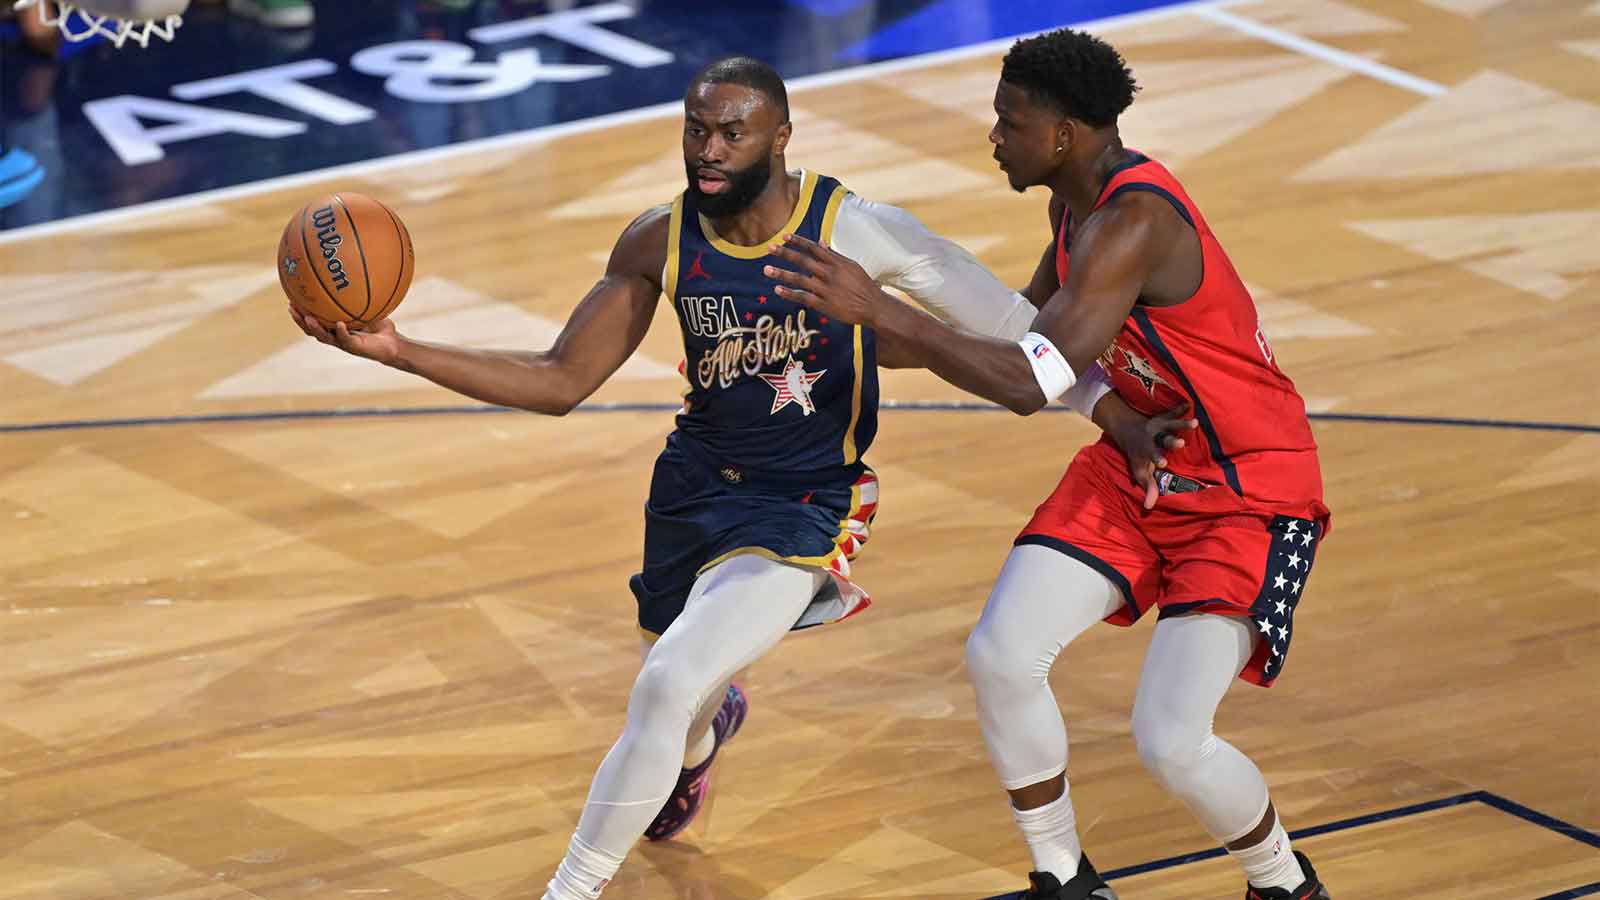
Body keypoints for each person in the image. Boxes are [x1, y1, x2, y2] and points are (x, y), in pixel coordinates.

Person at [290, 55, 1164, 900]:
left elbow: (1017, 332)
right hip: (691, 490)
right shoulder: (658, 239)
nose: (708, 150)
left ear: (781, 138)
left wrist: (1115, 416)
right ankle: (703, 745)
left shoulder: (855, 229)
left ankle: (571, 889)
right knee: (681, 703)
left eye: (732, 134)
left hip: (804, 502)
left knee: (667, 685)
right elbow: (560, 380)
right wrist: (398, 351)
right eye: (695, 130)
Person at [763, 28, 1334, 900]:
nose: (994, 136)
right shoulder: (1075, 210)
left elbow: (1030, 383)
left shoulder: (1132, 222)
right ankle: (1065, 879)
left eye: (1010, 121)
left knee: (1171, 742)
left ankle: (1283, 883)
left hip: (1250, 487)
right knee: (1001, 654)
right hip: (1144, 456)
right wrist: (845, 343)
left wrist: (881, 308)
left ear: (1064, 134)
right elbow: (1017, 338)